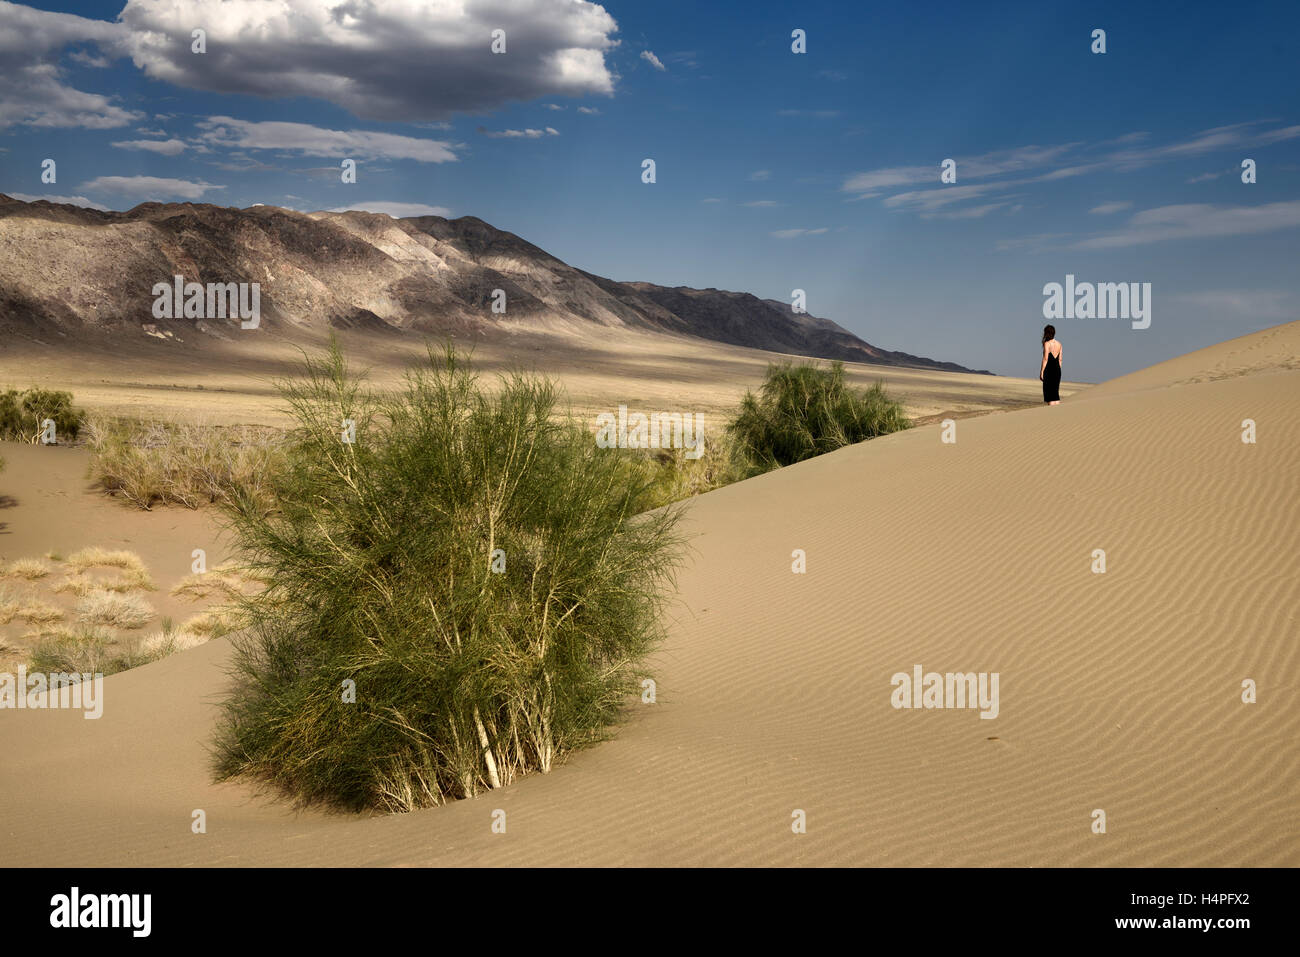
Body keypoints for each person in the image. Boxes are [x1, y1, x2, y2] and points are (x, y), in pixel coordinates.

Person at [1039, 325, 1062, 405]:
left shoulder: (1047, 344)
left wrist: (1041, 371)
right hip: (1057, 370)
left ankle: (1052, 413)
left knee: (1050, 394)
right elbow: (1060, 359)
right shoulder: (1059, 344)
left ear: (1047, 333)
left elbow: (1045, 359)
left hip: (1049, 370)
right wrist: (1058, 371)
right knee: (1055, 393)